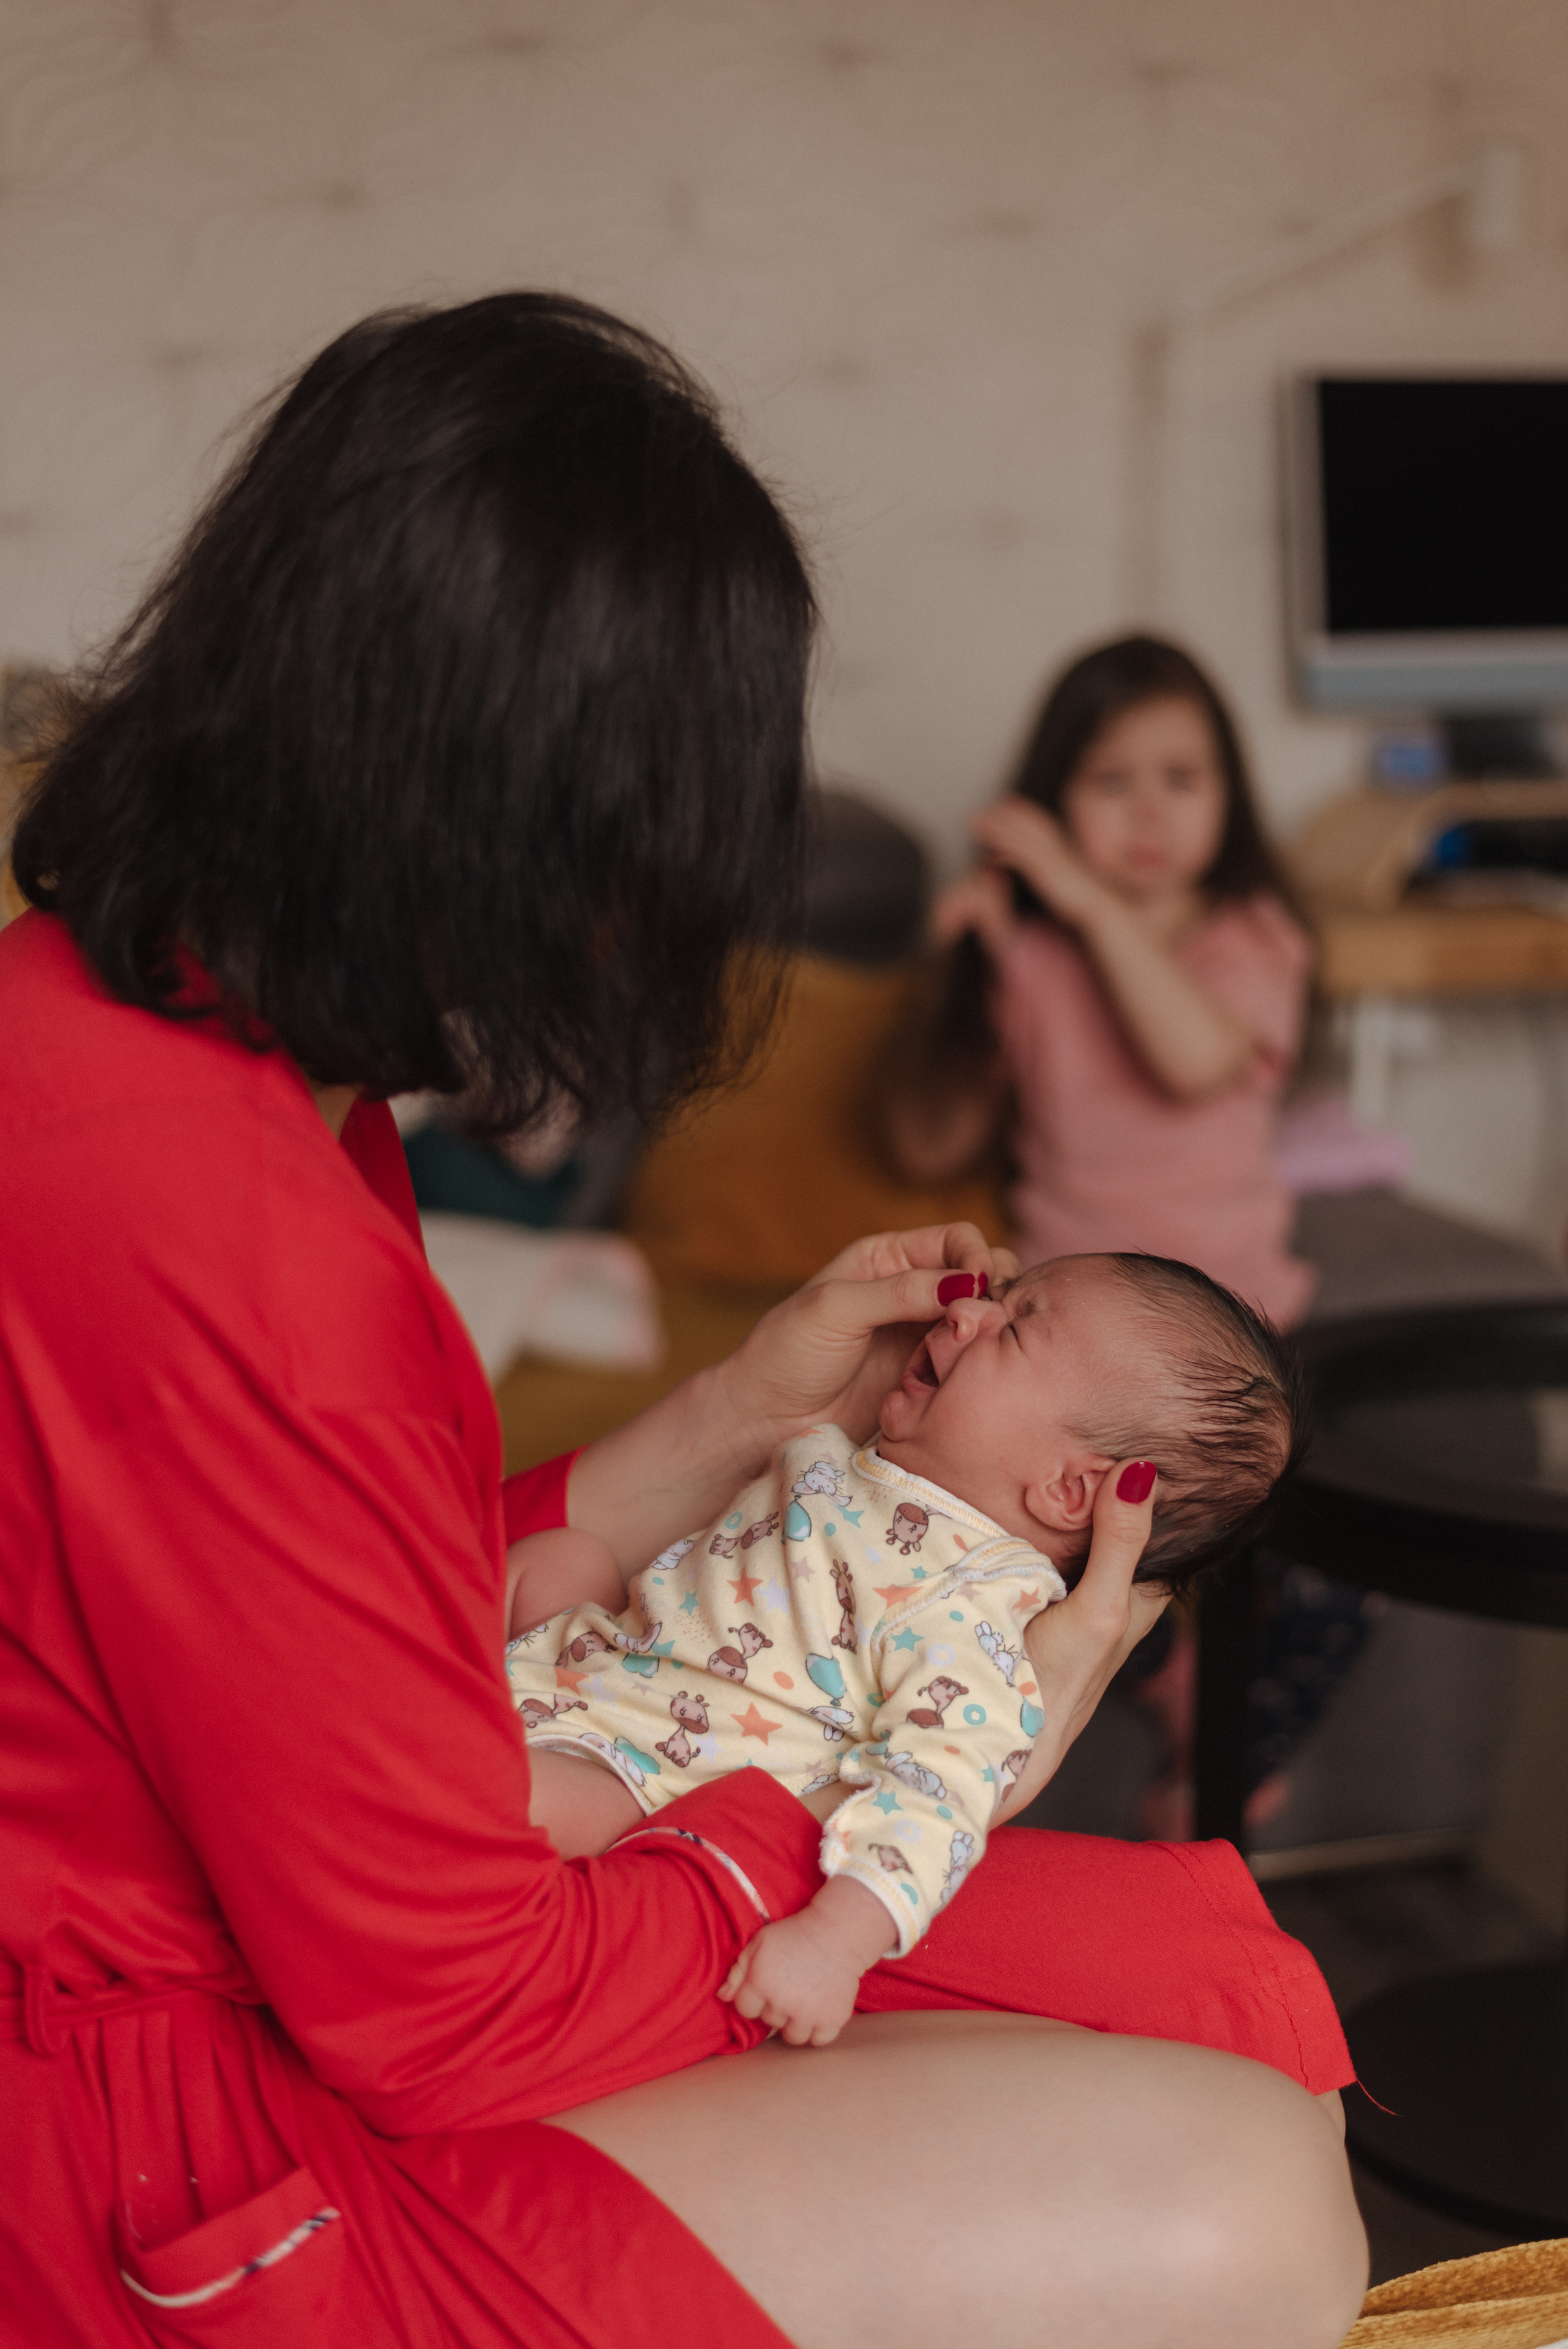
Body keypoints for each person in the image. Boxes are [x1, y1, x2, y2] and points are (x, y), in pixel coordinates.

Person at [0, 298, 1366, 2349]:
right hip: (171, 2115)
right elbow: (448, 2005)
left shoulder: (144, 1026)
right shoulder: (241, 1238)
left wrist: (735, 1411)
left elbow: (333, 1609)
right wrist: (786, 1825)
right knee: (1249, 2202)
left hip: (389, 1887)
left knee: (1212, 1990)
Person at [505, 1251, 1303, 2047]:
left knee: (507, 1791)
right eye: (997, 1295)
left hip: (643, 1775)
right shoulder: (876, 1465)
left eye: (1013, 1329)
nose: (965, 1313)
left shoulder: (975, 1610)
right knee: (560, 1554)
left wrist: (835, 1943)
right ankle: (433, 1685)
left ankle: (438, 1738)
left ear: (1068, 1491)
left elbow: (940, 1792)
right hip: (600, 1661)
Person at [880, 634, 1315, 1326]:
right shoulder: (1033, 958)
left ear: (1229, 792)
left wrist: (1087, 901)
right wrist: (954, 971)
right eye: (1111, 782)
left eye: (1181, 778)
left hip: (1231, 1311)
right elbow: (927, 1148)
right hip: (1066, 1309)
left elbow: (1194, 1063)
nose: (1149, 812)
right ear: (1055, 800)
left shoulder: (1252, 936)